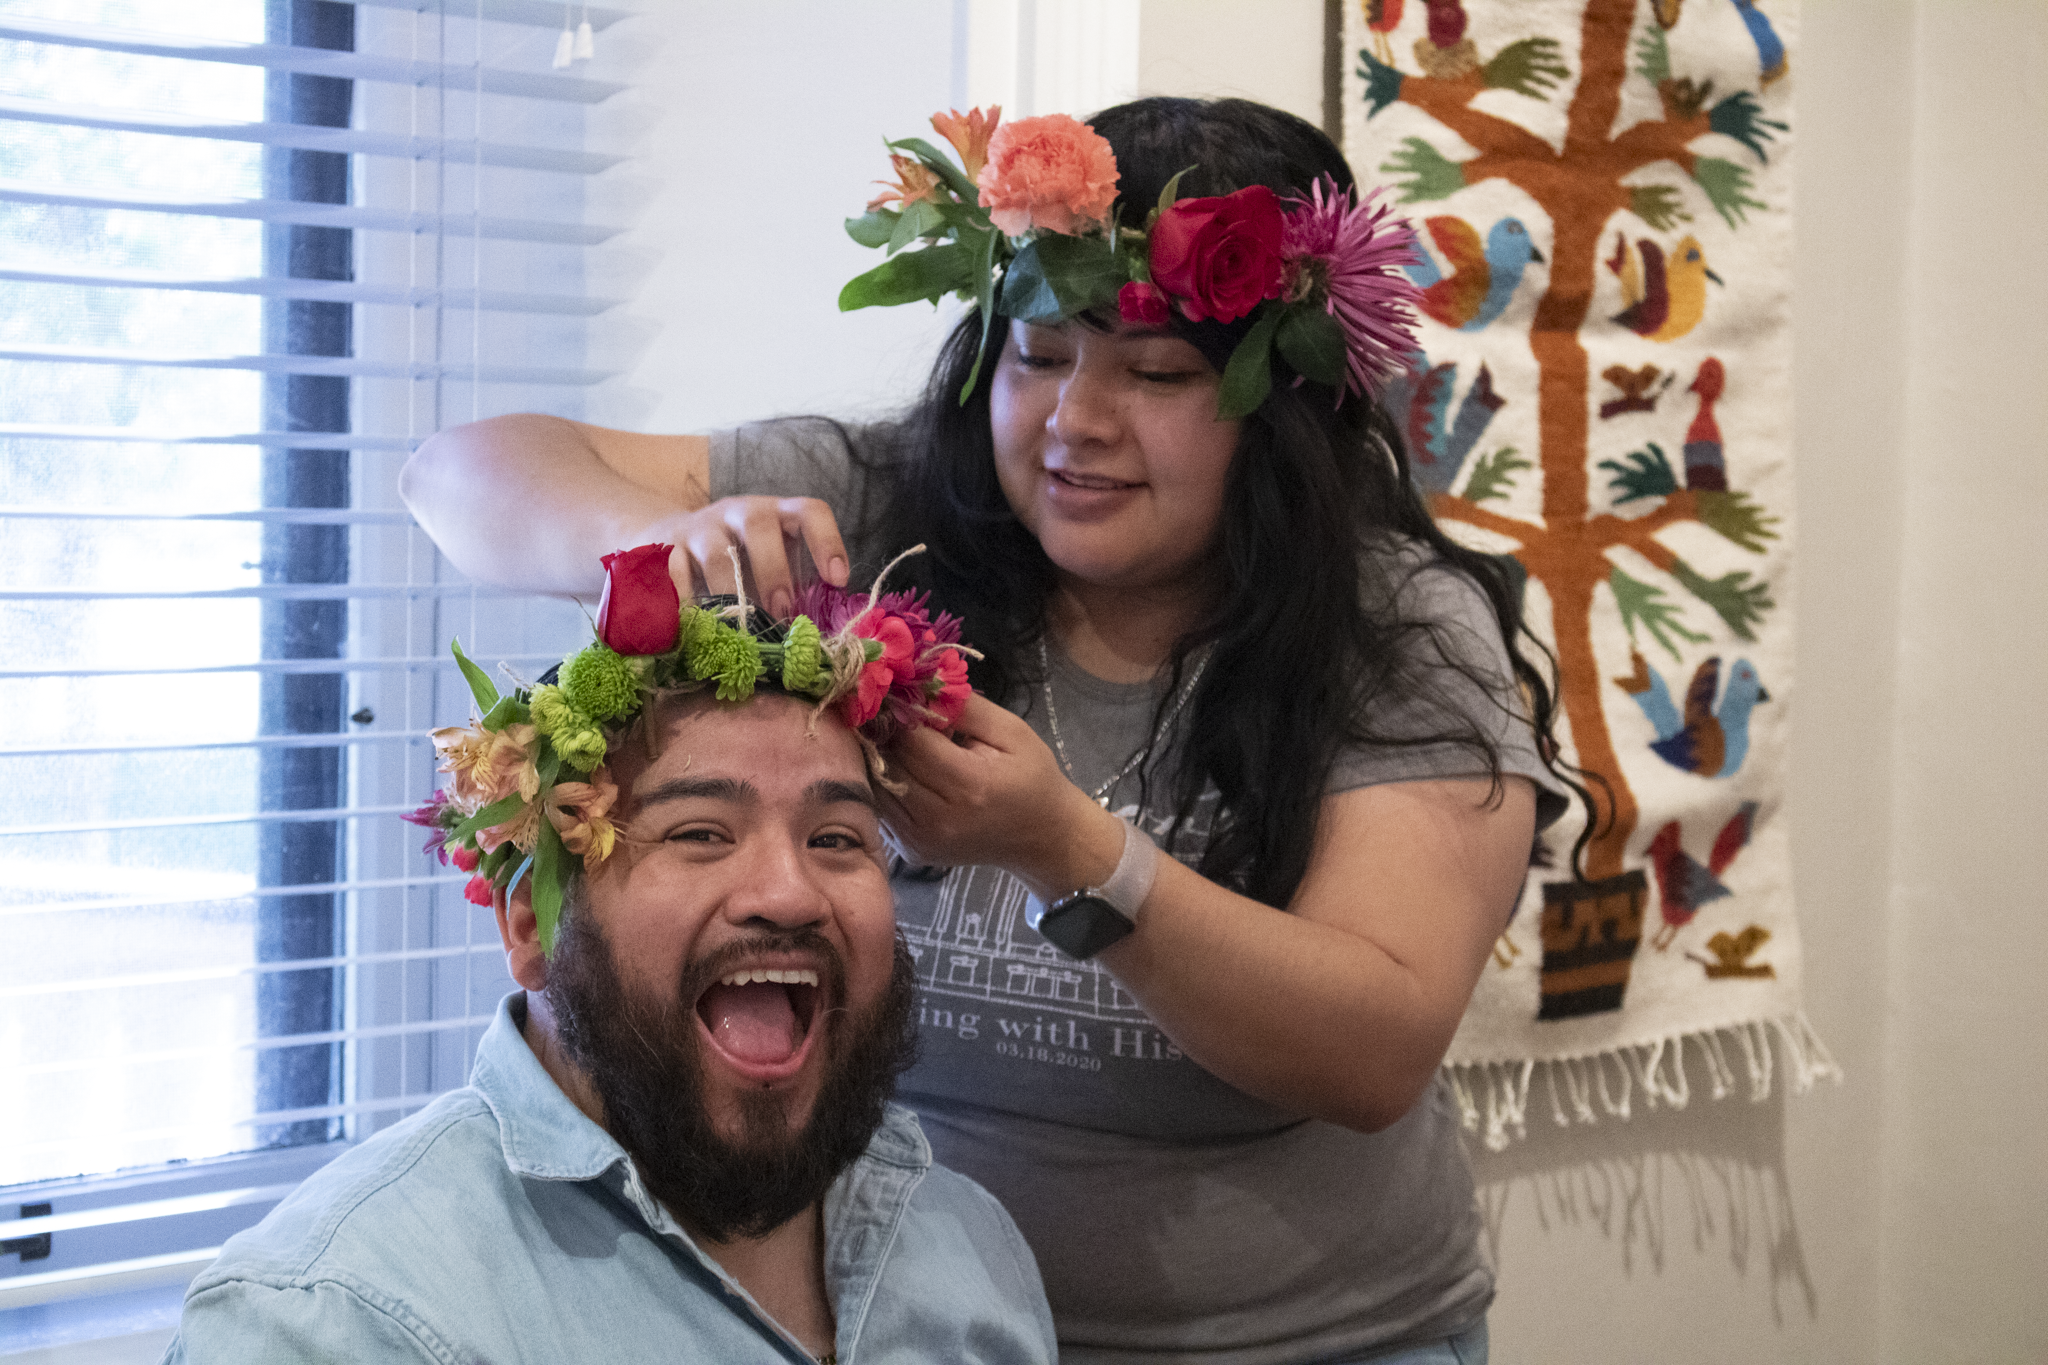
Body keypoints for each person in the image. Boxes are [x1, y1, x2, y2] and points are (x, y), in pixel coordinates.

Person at [403, 97, 1577, 1364]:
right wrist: (640, 550)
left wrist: (1074, 854)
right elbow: (458, 475)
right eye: (1037, 353)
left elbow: (1372, 1050)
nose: (1077, 419)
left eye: (1158, 373)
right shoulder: (877, 504)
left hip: (1309, 1341)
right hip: (918, 1328)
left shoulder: (1396, 628)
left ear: (1279, 407)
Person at [162, 586, 1056, 1364]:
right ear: (529, 924)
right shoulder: (333, 1324)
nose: (790, 893)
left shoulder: (971, 1250)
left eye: (837, 840)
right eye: (700, 832)